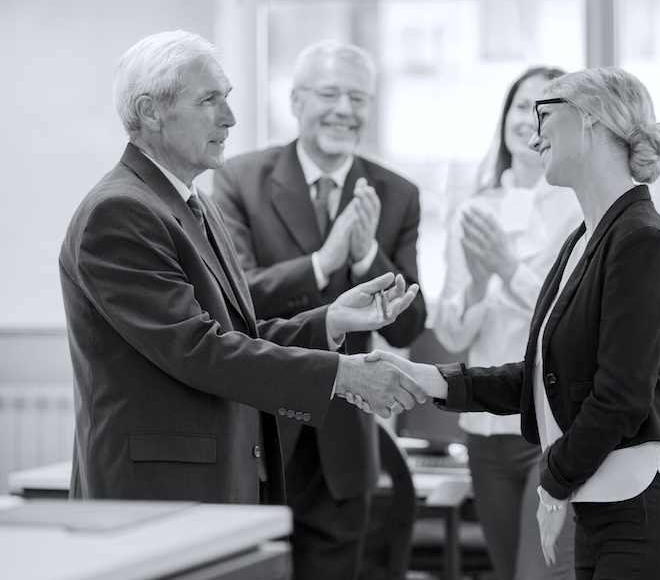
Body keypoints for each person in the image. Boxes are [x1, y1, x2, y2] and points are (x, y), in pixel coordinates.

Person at [376, 67, 660, 580]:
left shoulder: (641, 237)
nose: (534, 135)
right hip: (602, 502)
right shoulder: (585, 239)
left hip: (649, 503)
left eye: (544, 115)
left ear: (589, 122)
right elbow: (544, 374)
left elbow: (621, 397)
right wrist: (435, 380)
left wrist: (552, 484)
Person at [59, 30, 426, 507]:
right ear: (150, 112)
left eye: (227, 98)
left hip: (209, 485)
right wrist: (341, 373)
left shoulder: (195, 204)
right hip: (153, 495)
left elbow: (237, 332)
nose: (229, 118)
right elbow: (198, 349)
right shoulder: (120, 212)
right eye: (209, 100)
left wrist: (329, 321)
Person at [212, 40, 427, 580]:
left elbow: (410, 326)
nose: (344, 109)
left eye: (359, 97)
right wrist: (321, 263)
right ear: (296, 100)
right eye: (329, 93)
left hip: (343, 443)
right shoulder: (239, 178)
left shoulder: (396, 193)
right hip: (258, 430)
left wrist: (365, 257)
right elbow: (234, 302)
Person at [433, 67, 581, 580]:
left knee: (539, 574)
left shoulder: (579, 206)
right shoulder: (473, 209)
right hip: (485, 429)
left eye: (546, 108)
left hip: (550, 427)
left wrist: (506, 268)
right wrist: (477, 284)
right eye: (522, 105)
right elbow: (451, 335)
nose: (530, 119)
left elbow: (568, 318)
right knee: (505, 569)